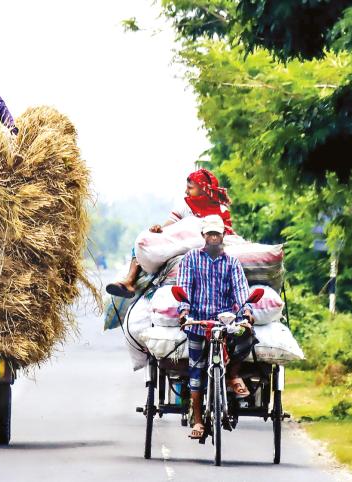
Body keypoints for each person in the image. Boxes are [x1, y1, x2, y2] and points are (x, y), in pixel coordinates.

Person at [176, 215, 254, 440]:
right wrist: (184, 312)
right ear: (203, 236)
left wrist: (247, 312)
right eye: (209, 233)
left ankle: (232, 374)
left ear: (223, 236)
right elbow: (184, 287)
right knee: (196, 371)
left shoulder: (232, 263)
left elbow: (240, 290)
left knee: (248, 336)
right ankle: (198, 420)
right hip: (198, 322)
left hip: (225, 323)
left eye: (216, 233)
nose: (213, 237)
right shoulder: (191, 258)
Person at [105, 168, 234, 298]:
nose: (186, 191)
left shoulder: (221, 211)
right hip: (181, 243)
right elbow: (168, 227)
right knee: (145, 240)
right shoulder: (185, 205)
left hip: (202, 246)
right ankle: (129, 281)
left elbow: (224, 235)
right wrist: (158, 229)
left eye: (190, 188)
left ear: (204, 190)